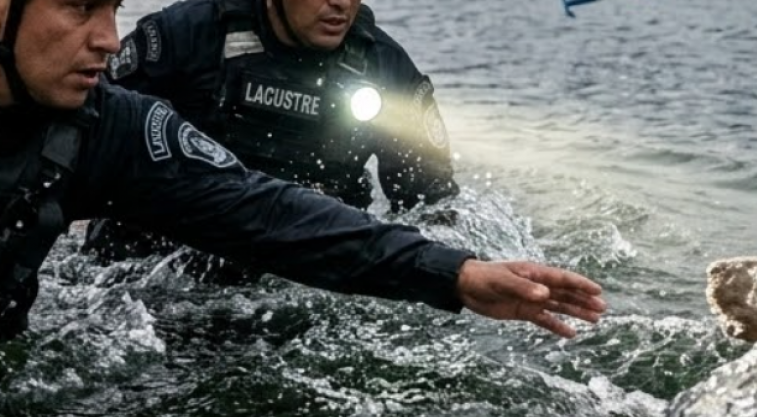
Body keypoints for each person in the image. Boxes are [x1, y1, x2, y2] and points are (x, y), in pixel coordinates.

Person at [0, 0, 606, 342]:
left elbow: (260, 209)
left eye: (112, 9)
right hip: (140, 267)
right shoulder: (186, 37)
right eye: (78, 6)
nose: (108, 40)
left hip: (251, 277)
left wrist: (456, 272)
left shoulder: (109, 127)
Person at [82, 0, 460, 263]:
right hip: (159, 259)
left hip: (311, 262)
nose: (340, 4)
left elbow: (432, 207)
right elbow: (86, 129)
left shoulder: (387, 71)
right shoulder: (185, 36)